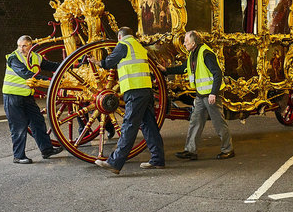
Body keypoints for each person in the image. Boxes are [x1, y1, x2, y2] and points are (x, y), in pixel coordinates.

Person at [88, 27, 165, 174]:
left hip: (134, 90)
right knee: (149, 126)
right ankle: (158, 159)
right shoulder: (138, 46)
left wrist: (97, 62)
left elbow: (110, 62)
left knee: (129, 126)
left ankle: (115, 163)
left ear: (119, 36)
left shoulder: (124, 45)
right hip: (146, 89)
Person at [159, 30, 234, 160]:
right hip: (201, 95)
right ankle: (190, 151)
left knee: (219, 123)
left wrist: (213, 93)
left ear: (193, 43)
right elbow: (184, 68)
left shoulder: (206, 54)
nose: (184, 43)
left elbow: (217, 74)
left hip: (211, 95)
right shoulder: (193, 54)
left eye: (186, 41)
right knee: (195, 122)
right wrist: (166, 71)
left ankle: (228, 149)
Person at [3, 35, 64, 164]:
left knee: (38, 121)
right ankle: (18, 156)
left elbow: (51, 65)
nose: (21, 49)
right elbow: (25, 74)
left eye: (24, 46)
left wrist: (68, 65)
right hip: (12, 97)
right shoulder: (13, 58)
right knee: (18, 127)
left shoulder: (36, 57)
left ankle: (46, 150)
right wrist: (50, 81)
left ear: (31, 45)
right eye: (19, 46)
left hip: (27, 96)